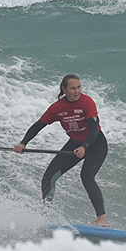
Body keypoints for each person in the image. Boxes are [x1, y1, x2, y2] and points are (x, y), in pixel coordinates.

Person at [13, 74, 109, 227]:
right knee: (48, 177)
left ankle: (102, 218)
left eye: (79, 87)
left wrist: (84, 147)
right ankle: (44, 214)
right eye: (73, 88)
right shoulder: (57, 108)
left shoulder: (87, 102)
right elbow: (38, 125)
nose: (77, 91)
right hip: (75, 144)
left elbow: (93, 131)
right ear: (64, 89)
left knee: (87, 176)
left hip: (96, 143)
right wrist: (23, 143)